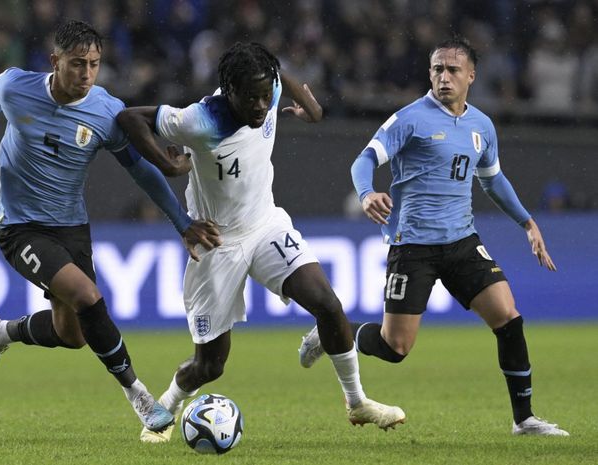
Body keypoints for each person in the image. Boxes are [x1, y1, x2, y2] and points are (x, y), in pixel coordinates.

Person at [0, 20, 221, 434]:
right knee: (88, 296)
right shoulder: (19, 87)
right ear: (55, 61)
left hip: (72, 227)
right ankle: (138, 394)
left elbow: (140, 171)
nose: (87, 74)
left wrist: (182, 223)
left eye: (94, 64)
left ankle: (0, 332)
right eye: (77, 64)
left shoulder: (106, 111)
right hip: (20, 227)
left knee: (71, 334)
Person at [116, 41, 406, 443]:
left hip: (265, 224)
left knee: (328, 304)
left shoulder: (264, 85)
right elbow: (130, 118)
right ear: (228, 91)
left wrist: (311, 104)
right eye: (249, 97)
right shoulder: (199, 121)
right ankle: (168, 402)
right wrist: (168, 165)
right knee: (210, 365)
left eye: (265, 95)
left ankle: (357, 402)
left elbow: (277, 73)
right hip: (217, 241)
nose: (260, 105)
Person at [298, 36, 569, 437]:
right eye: (437, 69)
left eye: (453, 70)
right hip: (412, 246)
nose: (444, 77)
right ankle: (331, 332)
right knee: (395, 349)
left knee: (508, 317)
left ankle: (524, 420)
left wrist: (528, 223)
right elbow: (364, 160)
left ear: (471, 76)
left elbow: (493, 182)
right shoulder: (410, 118)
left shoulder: (481, 126)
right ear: (430, 74)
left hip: (462, 241)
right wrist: (367, 192)